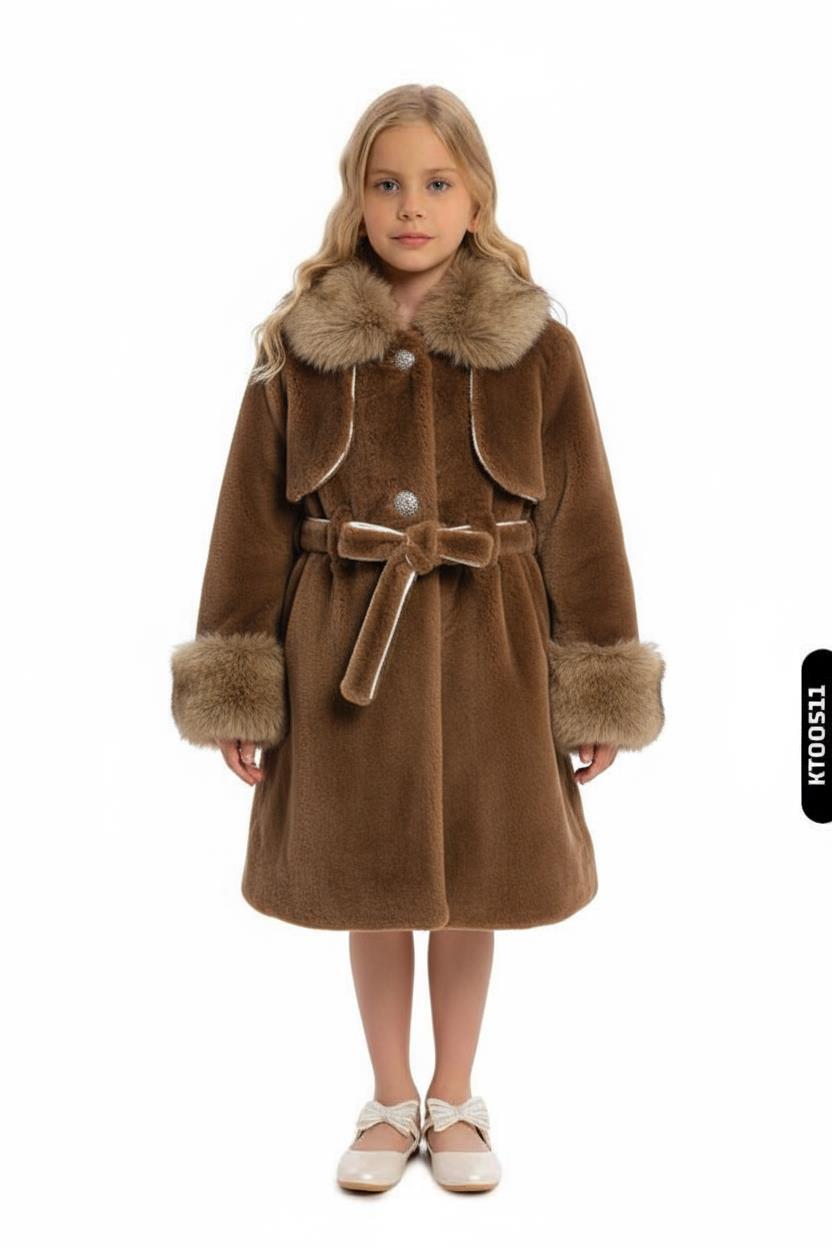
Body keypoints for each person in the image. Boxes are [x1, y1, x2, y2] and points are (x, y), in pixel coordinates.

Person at [170, 83, 666, 1194]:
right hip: (346, 650)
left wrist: (596, 679)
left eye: (436, 183)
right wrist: (240, 683)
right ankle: (391, 1097)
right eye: (386, 182)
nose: (410, 206)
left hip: (495, 651)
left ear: (476, 196)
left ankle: (457, 1093)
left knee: (475, 876)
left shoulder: (540, 349)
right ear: (356, 196)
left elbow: (584, 518)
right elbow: (247, 518)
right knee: (372, 874)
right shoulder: (298, 347)